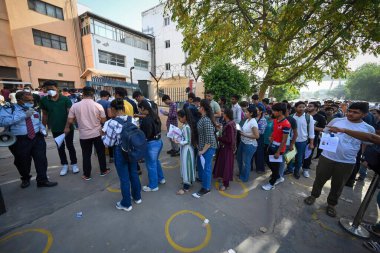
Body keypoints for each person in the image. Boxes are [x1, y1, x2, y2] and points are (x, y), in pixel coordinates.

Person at [304, 102, 375, 217]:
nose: (351, 114)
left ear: (364, 114)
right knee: (319, 179)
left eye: (355, 112)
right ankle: (313, 195)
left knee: (338, 184)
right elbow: (326, 132)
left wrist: (363, 157)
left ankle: (331, 204)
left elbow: (366, 143)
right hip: (327, 157)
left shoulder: (368, 128)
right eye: (349, 111)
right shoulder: (337, 121)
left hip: (347, 161)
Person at [0, 91, 57, 188]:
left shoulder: (33, 109)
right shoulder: (9, 109)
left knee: (41, 159)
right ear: (19, 100)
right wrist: (24, 115)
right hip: (20, 140)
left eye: (32, 100)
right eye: (28, 100)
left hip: (37, 137)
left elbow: (37, 122)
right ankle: (25, 178)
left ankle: (42, 180)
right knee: (22, 161)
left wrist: (43, 129)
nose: (31, 102)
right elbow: (3, 122)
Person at [101, 98, 141, 212]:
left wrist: (102, 135)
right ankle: (137, 197)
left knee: (124, 179)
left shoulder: (111, 123)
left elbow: (108, 143)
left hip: (120, 151)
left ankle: (126, 204)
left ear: (113, 109)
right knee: (134, 174)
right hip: (132, 150)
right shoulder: (132, 119)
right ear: (123, 108)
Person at [64, 86, 110, 180]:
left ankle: (87, 175)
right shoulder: (98, 106)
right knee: (101, 153)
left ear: (83, 94)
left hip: (84, 135)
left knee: (86, 154)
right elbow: (104, 120)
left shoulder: (75, 106)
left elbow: (70, 120)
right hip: (97, 133)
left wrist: (77, 121)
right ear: (93, 95)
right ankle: (103, 170)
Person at [40, 80, 78, 176]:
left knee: (70, 146)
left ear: (57, 88)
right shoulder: (44, 100)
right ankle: (64, 165)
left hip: (68, 128)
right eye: (47, 89)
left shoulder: (65, 99)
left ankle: (74, 164)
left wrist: (67, 127)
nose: (50, 91)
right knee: (60, 147)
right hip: (55, 128)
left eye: (52, 89)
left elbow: (70, 114)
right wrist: (43, 128)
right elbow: (45, 115)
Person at [262, 103, 290, 191]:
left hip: (279, 148)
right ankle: (278, 176)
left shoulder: (286, 124)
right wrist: (271, 136)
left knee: (275, 167)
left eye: (274, 111)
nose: (272, 112)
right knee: (267, 160)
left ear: (280, 112)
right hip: (272, 145)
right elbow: (274, 131)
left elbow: (284, 140)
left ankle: (271, 183)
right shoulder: (275, 120)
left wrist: (278, 152)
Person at [192, 99, 218, 198]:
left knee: (207, 167)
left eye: (199, 106)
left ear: (202, 108)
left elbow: (210, 138)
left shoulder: (206, 120)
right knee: (203, 166)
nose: (198, 107)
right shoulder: (204, 118)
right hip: (203, 146)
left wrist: (203, 150)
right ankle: (203, 180)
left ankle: (206, 188)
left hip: (208, 148)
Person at [138, 100, 165, 191]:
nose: (139, 111)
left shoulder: (146, 120)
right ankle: (161, 178)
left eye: (139, 109)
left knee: (150, 165)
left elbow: (145, 135)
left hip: (151, 144)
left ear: (142, 108)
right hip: (159, 142)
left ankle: (153, 186)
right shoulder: (155, 116)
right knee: (155, 161)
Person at [285, 101, 315, 179]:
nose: (302, 108)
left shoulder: (308, 117)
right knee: (290, 156)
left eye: (303, 107)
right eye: (300, 107)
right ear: (295, 108)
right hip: (291, 140)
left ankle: (297, 171)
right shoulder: (291, 117)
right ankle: (289, 169)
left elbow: (311, 131)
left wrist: (311, 143)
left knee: (299, 158)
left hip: (302, 141)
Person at [213, 108, 237, 191]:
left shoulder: (229, 125)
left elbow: (229, 140)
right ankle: (223, 177)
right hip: (226, 148)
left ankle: (226, 184)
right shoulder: (231, 123)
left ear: (226, 115)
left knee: (226, 165)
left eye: (223, 113)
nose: (222, 114)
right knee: (223, 164)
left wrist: (219, 137)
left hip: (227, 148)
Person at [175, 109, 197, 195]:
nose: (179, 120)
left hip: (187, 150)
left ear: (184, 117)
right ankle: (188, 183)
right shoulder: (186, 125)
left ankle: (186, 187)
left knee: (187, 167)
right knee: (187, 166)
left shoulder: (187, 127)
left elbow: (188, 141)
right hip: (186, 149)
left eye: (180, 118)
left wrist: (178, 141)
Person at [302, 102, 326, 175]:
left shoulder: (320, 117)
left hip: (312, 138)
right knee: (299, 153)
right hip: (302, 137)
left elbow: (324, 129)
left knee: (308, 154)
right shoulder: (303, 115)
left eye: (310, 106)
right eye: (308, 106)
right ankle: (296, 167)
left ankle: (305, 169)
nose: (308, 107)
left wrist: (313, 127)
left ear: (315, 108)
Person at [237, 106, 259, 182]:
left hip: (250, 145)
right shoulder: (247, 120)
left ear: (251, 113)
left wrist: (244, 134)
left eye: (246, 112)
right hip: (243, 142)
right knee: (239, 158)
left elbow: (256, 136)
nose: (245, 113)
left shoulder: (253, 122)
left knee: (246, 161)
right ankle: (241, 173)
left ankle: (244, 177)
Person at [97, 90, 114, 163]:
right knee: (108, 140)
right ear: (107, 96)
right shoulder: (108, 103)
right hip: (106, 124)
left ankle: (101, 158)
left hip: (98, 125)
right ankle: (111, 157)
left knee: (100, 142)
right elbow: (109, 115)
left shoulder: (96, 103)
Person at [252, 104, 267, 173]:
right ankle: (250, 167)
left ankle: (260, 168)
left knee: (259, 153)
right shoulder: (253, 117)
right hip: (252, 136)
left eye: (257, 110)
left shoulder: (263, 120)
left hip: (259, 138)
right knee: (251, 152)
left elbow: (262, 131)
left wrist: (253, 130)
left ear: (260, 111)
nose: (255, 111)